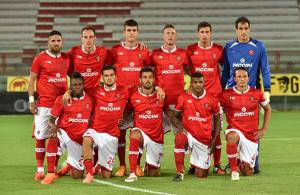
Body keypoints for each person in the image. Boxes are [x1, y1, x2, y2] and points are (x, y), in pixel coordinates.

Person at [221, 16, 271, 173]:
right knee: (233, 128)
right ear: (236, 30)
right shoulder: (229, 47)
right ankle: (233, 161)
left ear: (250, 29)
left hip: (251, 93)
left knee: (252, 128)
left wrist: (267, 89)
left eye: (246, 28)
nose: (243, 32)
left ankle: (254, 162)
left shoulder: (258, 46)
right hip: (232, 93)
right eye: (240, 29)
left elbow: (265, 69)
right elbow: (225, 71)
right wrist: (222, 89)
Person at [28, 30, 70, 180]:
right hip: (44, 104)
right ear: (48, 42)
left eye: (58, 40)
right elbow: (32, 80)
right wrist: (32, 100)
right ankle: (40, 169)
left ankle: (53, 168)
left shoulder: (66, 59)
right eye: (53, 41)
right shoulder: (40, 58)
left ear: (62, 42)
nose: (56, 43)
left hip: (62, 105)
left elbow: (75, 77)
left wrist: (69, 92)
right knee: (40, 137)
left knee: (56, 137)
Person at [111, 19, 151, 177]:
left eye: (134, 30)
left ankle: (138, 165)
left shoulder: (144, 51)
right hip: (120, 99)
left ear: (137, 32)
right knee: (120, 131)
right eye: (129, 30)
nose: (131, 33)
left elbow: (149, 72)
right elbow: (107, 69)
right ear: (124, 32)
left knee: (139, 132)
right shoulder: (115, 50)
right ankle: (121, 165)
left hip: (139, 99)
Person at [186, 21, 224, 174]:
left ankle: (217, 164)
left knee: (216, 129)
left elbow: (225, 67)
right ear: (198, 34)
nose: (204, 35)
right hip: (196, 97)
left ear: (211, 33)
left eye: (207, 32)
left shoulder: (218, 49)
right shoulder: (190, 49)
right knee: (195, 130)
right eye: (202, 32)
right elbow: (185, 67)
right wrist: (194, 83)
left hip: (214, 96)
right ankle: (193, 163)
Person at [219, 67, 271, 180]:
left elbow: (268, 109)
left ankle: (238, 162)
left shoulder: (257, 93)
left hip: (251, 136)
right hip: (235, 130)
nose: (242, 79)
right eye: (239, 76)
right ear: (234, 79)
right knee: (232, 137)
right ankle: (233, 170)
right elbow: (215, 109)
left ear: (249, 78)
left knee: (247, 172)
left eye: (244, 76)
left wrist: (263, 129)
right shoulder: (225, 95)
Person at [41, 72, 92, 184]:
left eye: (80, 84)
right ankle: (50, 173)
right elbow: (50, 120)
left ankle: (69, 165)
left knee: (77, 175)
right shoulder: (62, 99)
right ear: (70, 86)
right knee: (53, 136)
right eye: (74, 85)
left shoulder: (90, 99)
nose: (77, 87)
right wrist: (53, 127)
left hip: (79, 141)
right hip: (64, 133)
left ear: (84, 85)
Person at [82, 65, 129, 183]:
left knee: (106, 175)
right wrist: (67, 92)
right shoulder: (95, 91)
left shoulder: (124, 90)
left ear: (116, 76)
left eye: (111, 75)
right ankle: (89, 173)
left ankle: (99, 165)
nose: (109, 78)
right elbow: (77, 89)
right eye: (106, 76)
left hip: (112, 135)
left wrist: (125, 118)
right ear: (102, 77)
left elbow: (141, 93)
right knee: (87, 139)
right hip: (96, 131)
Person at [171, 72, 221, 181]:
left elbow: (217, 120)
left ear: (204, 83)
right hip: (188, 135)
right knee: (180, 138)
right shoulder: (183, 97)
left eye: (200, 82)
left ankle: (193, 164)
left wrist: (215, 138)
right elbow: (174, 116)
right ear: (191, 84)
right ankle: (179, 172)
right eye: (195, 82)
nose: (198, 85)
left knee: (202, 175)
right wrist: (182, 129)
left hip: (204, 140)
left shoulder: (212, 99)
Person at [125, 67, 167, 182]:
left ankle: (149, 165)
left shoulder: (161, 96)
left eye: (150, 77)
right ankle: (132, 172)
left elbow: (169, 112)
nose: (147, 80)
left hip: (156, 136)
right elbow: (126, 111)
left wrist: (180, 127)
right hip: (141, 131)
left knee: (153, 174)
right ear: (140, 80)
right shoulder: (133, 96)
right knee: (134, 135)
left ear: (154, 79)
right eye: (144, 77)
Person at [151, 24, 188, 134]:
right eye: (167, 33)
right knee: (158, 136)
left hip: (179, 101)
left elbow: (190, 70)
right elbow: (147, 74)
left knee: (181, 136)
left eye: (172, 33)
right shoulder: (155, 54)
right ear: (163, 36)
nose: (170, 36)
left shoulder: (183, 53)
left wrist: (190, 88)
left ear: (176, 36)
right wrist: (156, 88)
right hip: (161, 100)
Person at [68, 25, 112, 103]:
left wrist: (138, 46)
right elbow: (66, 67)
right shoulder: (73, 52)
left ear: (95, 38)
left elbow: (117, 59)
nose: (88, 40)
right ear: (81, 39)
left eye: (91, 37)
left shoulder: (103, 51)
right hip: (78, 94)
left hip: (96, 95)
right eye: (85, 37)